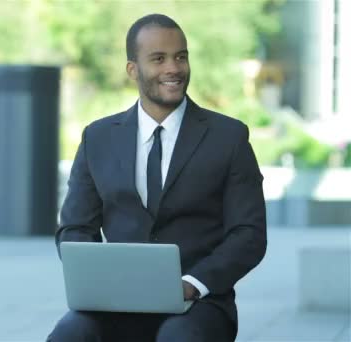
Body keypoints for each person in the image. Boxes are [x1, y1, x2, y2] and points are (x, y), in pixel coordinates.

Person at [47, 13, 267, 342]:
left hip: (200, 302)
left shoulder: (229, 137)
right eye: (159, 59)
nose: (173, 69)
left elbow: (248, 234)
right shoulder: (98, 138)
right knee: (69, 335)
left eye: (180, 57)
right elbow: (76, 227)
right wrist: (96, 281)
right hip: (115, 302)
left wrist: (194, 283)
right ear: (133, 69)